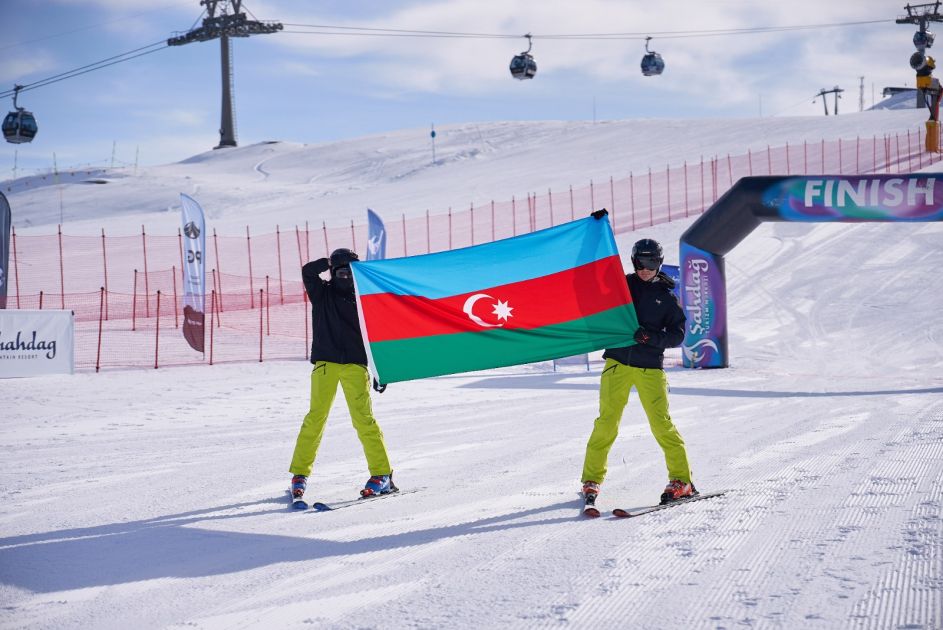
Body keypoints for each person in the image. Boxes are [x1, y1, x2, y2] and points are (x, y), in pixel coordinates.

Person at [580, 217, 694, 505]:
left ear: (659, 263)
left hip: (649, 369)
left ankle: (682, 480)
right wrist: (593, 234)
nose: (645, 269)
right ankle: (591, 480)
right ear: (633, 262)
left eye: (651, 263)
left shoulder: (667, 297)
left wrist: (650, 338)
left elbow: (678, 335)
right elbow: (591, 281)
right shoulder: (621, 287)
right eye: (640, 263)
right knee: (606, 424)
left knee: (661, 425)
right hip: (617, 363)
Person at [288, 248, 395, 505]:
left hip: (355, 366)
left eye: (350, 272)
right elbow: (308, 271)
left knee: (364, 420)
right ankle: (300, 474)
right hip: (326, 364)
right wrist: (329, 261)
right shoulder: (321, 293)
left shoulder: (362, 299)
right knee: (315, 419)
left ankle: (382, 474)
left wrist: (380, 369)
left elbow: (375, 336)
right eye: (341, 272)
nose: (345, 277)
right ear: (333, 272)